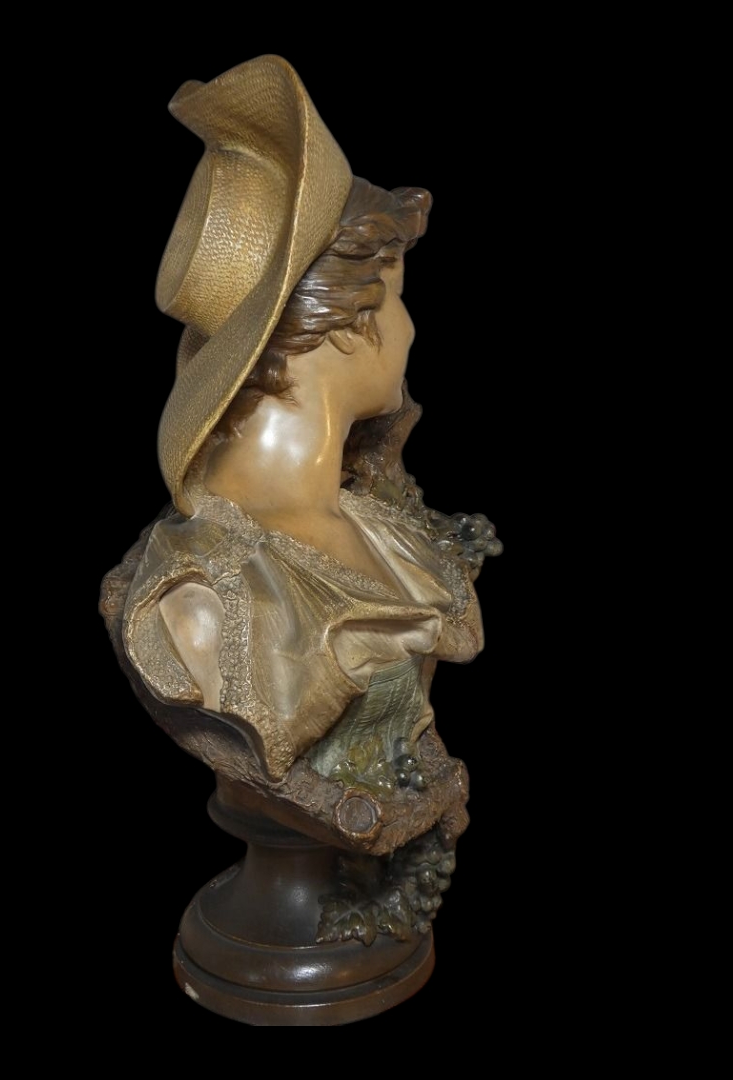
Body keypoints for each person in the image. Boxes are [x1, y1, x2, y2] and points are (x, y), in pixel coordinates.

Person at [105, 57, 494, 796]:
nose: (412, 329)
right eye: (399, 299)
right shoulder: (209, 598)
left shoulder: (382, 528)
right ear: (350, 327)